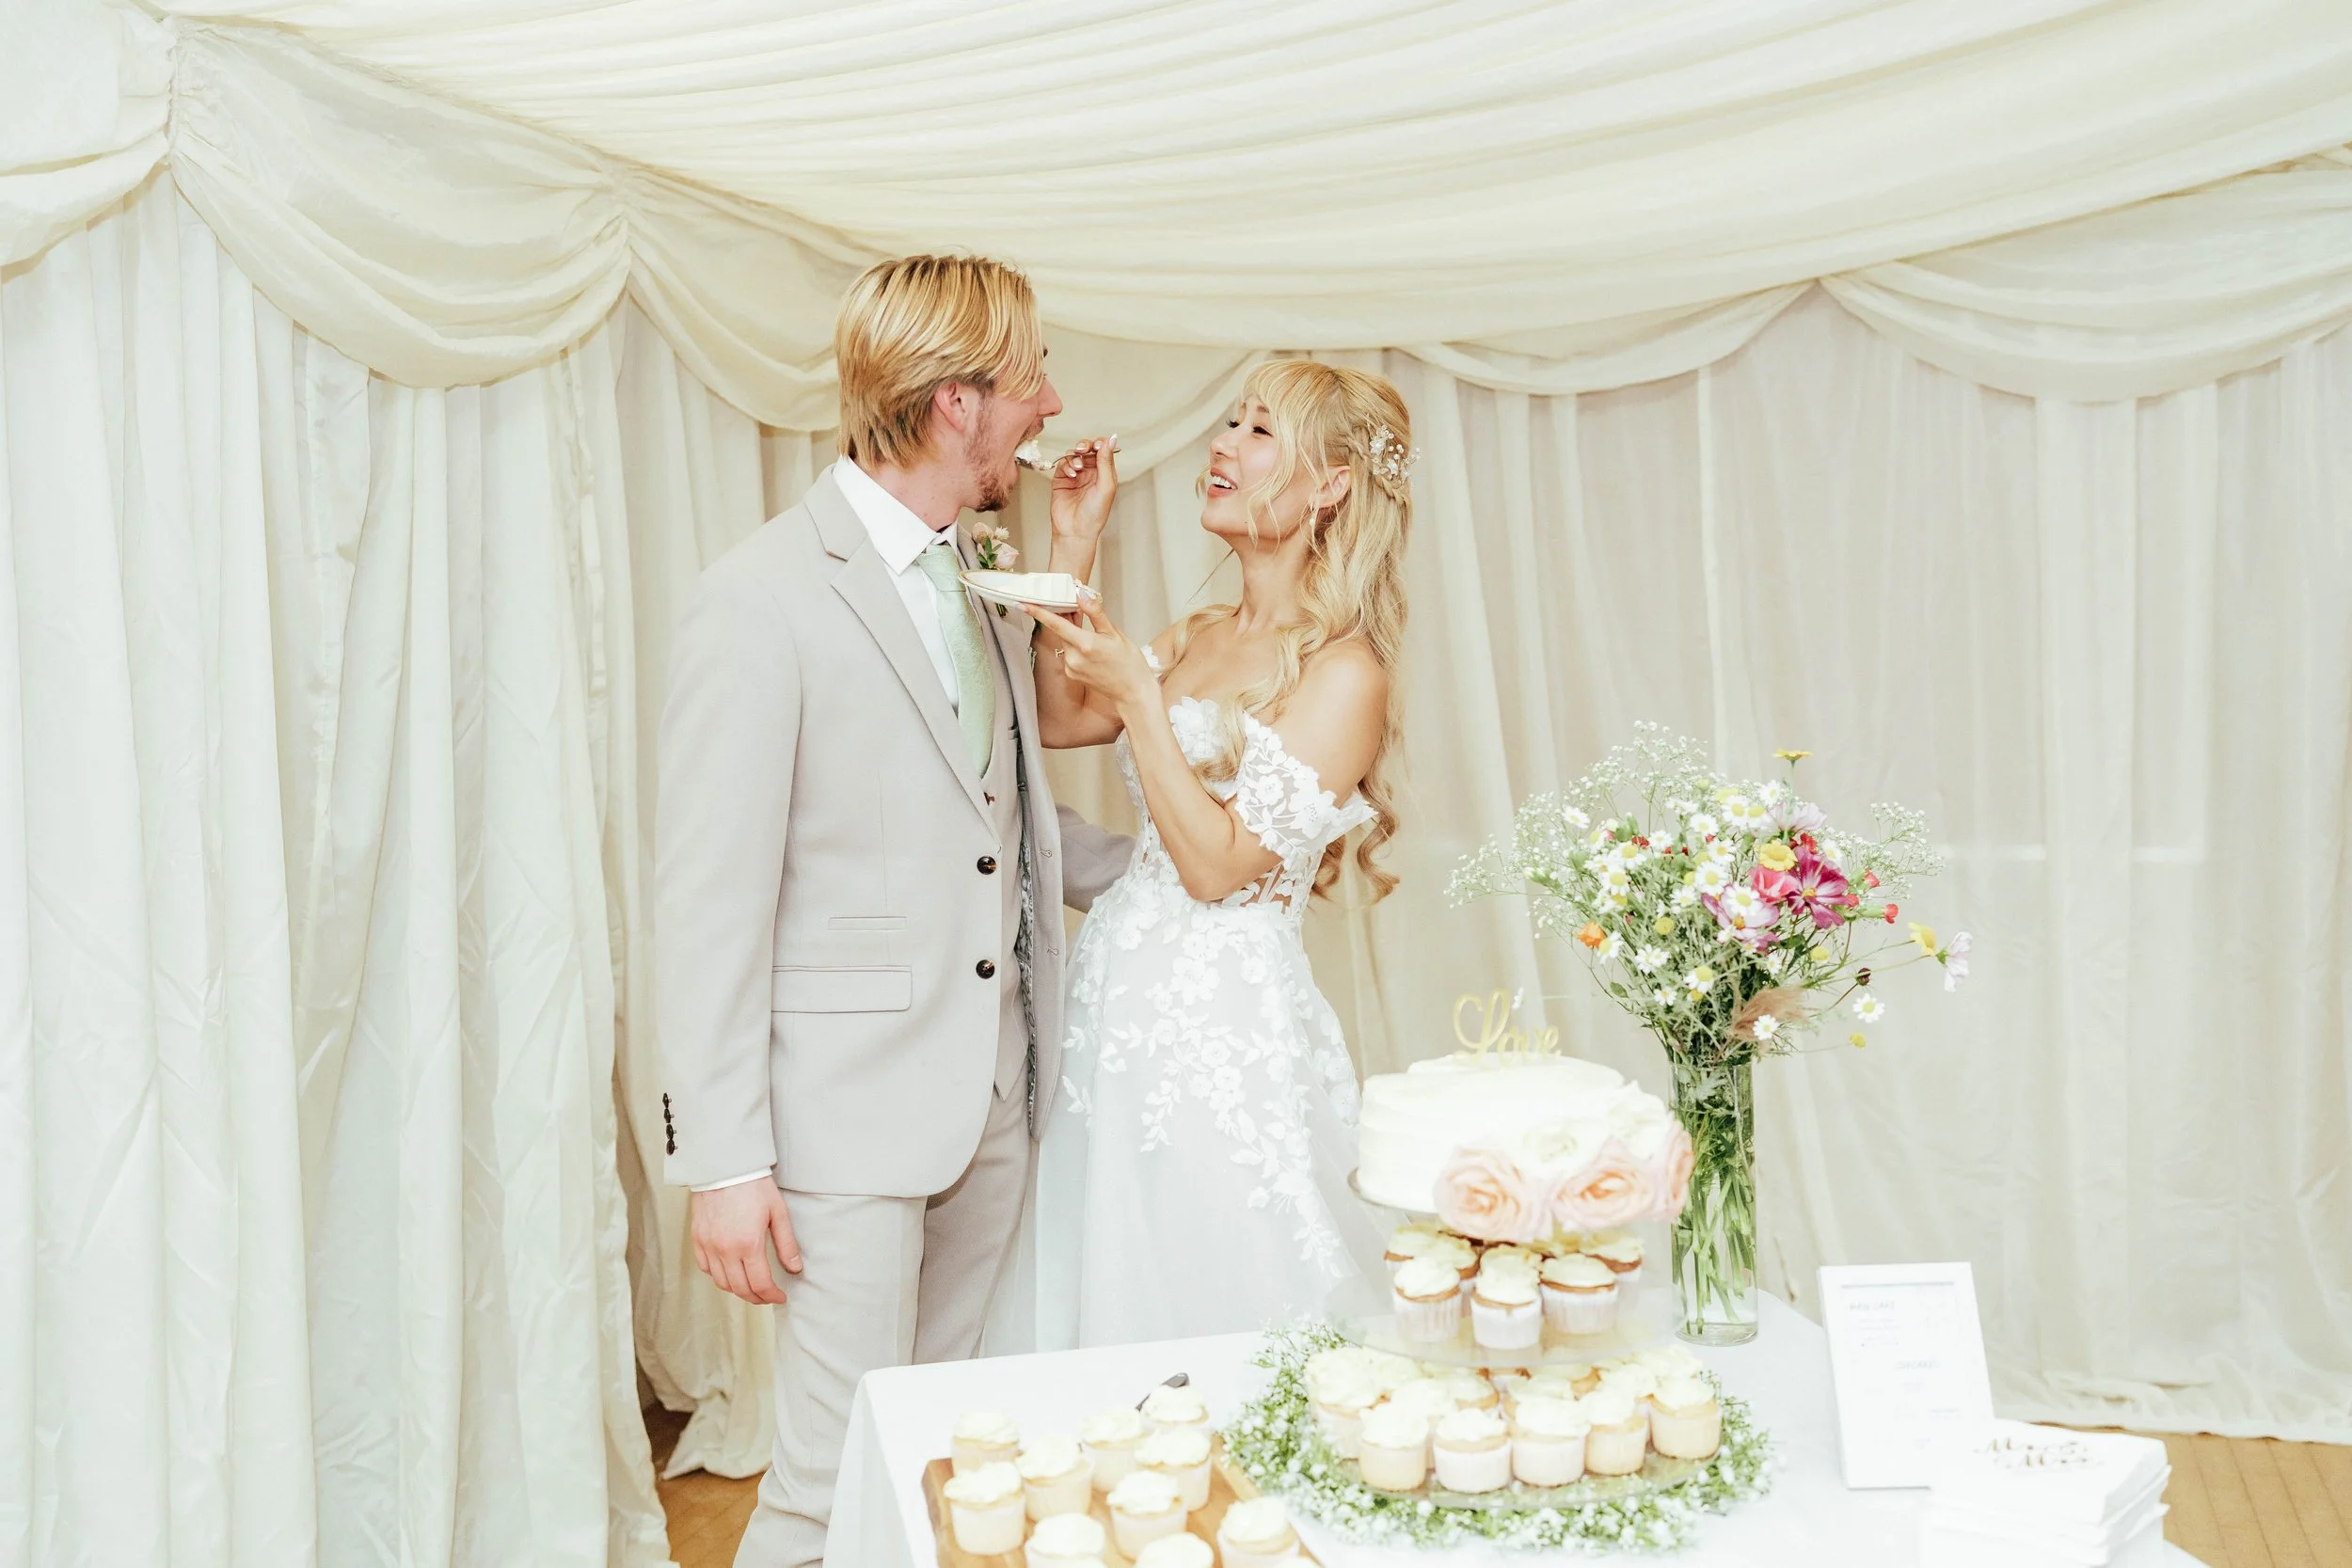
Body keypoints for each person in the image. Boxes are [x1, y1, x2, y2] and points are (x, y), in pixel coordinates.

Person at [654, 253, 1134, 1568]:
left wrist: (1206, 878)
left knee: (932, 1461)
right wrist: (724, 1165)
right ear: (954, 405)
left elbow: (1002, 820)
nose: (1047, 405)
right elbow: (705, 899)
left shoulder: (974, 574)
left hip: (990, 1100)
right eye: (1025, 378)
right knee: (824, 1486)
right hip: (842, 1125)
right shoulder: (756, 600)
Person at [1021, 358, 1412, 1347]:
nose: (1222, 446)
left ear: (1329, 484)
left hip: (1225, 1009)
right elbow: (1062, 718)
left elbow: (1217, 867)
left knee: (1224, 1264)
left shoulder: (1343, 670)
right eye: (1227, 424)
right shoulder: (1197, 634)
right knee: (1101, 1256)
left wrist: (1144, 701)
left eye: (1258, 431)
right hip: (1117, 991)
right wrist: (1075, 539)